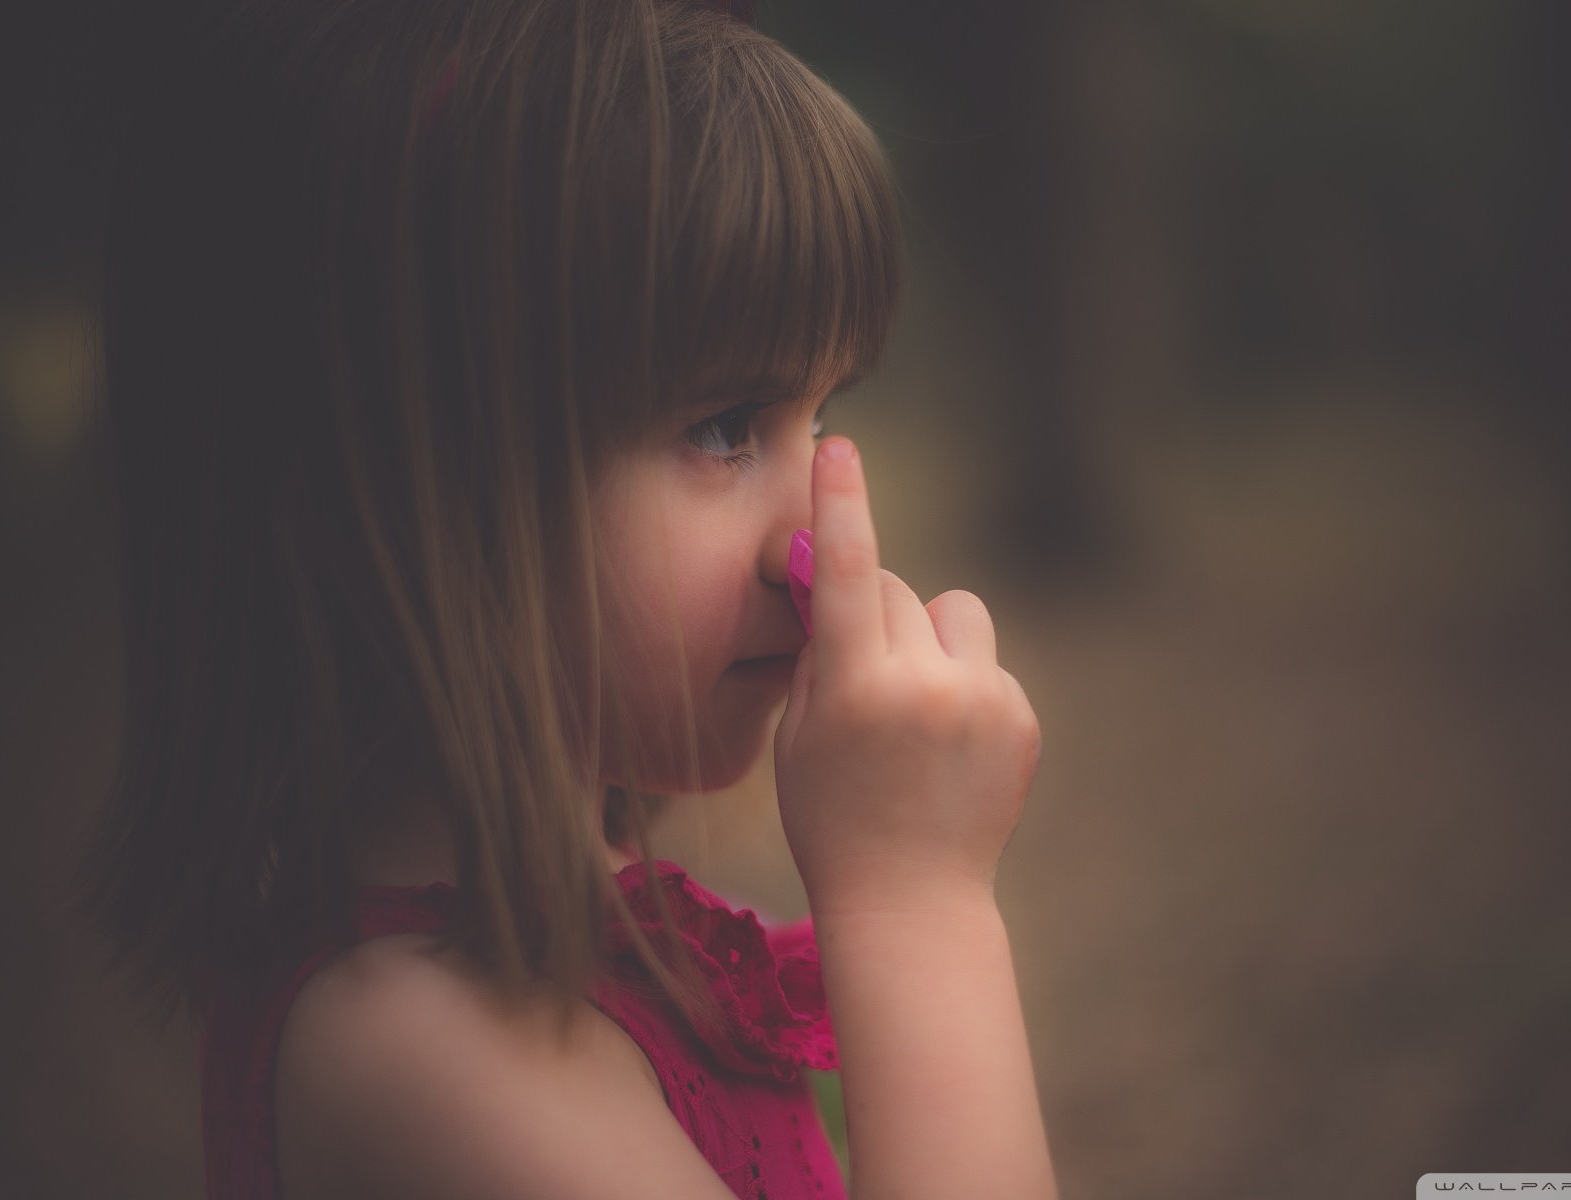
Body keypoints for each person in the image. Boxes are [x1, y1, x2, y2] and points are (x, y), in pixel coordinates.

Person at [73, 0, 1054, 1196]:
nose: (814, 535)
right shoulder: (424, 1055)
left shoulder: (574, 934)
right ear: (401, 479)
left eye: (825, 416)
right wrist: (920, 909)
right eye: (722, 426)